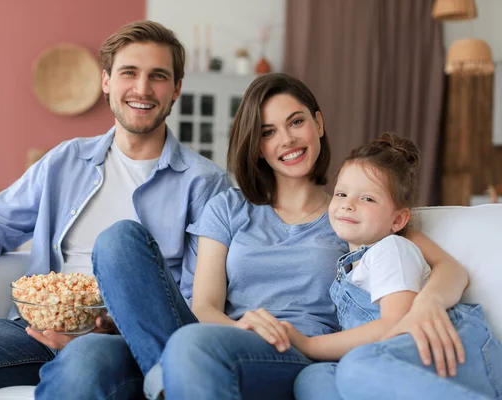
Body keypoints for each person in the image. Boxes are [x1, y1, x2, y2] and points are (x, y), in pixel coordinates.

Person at [0, 20, 231, 400]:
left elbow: (196, 299)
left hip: (118, 342)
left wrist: (109, 325)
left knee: (80, 370)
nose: (142, 89)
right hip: (32, 328)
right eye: (129, 73)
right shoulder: (67, 159)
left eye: (157, 76)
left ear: (176, 88)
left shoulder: (204, 183)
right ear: (106, 81)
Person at [92, 73, 470, 400]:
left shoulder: (352, 214)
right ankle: (169, 372)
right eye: (268, 132)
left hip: (297, 351)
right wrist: (242, 328)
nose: (286, 139)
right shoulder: (228, 207)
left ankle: (167, 377)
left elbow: (449, 268)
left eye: (296, 122)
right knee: (119, 240)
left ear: (318, 123)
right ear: (257, 146)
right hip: (225, 339)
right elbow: (205, 305)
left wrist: (428, 304)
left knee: (191, 346)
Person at [292, 132, 502, 400]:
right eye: (342, 193)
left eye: (367, 198)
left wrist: (308, 344)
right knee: (312, 378)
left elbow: (393, 324)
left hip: (454, 350)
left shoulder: (391, 249)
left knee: (356, 366)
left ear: (398, 219)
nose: (348, 205)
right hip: (405, 359)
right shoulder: (354, 264)